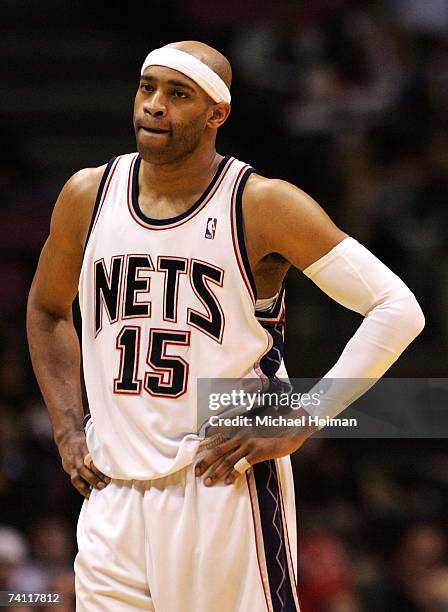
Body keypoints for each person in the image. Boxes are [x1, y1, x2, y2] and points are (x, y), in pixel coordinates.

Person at [26, 40, 424, 611]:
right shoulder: (88, 195)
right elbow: (46, 310)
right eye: (147, 88)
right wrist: (67, 429)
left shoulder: (261, 204)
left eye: (178, 94)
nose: (155, 106)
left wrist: (301, 420)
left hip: (218, 484)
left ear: (218, 113)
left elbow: (397, 307)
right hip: (112, 492)